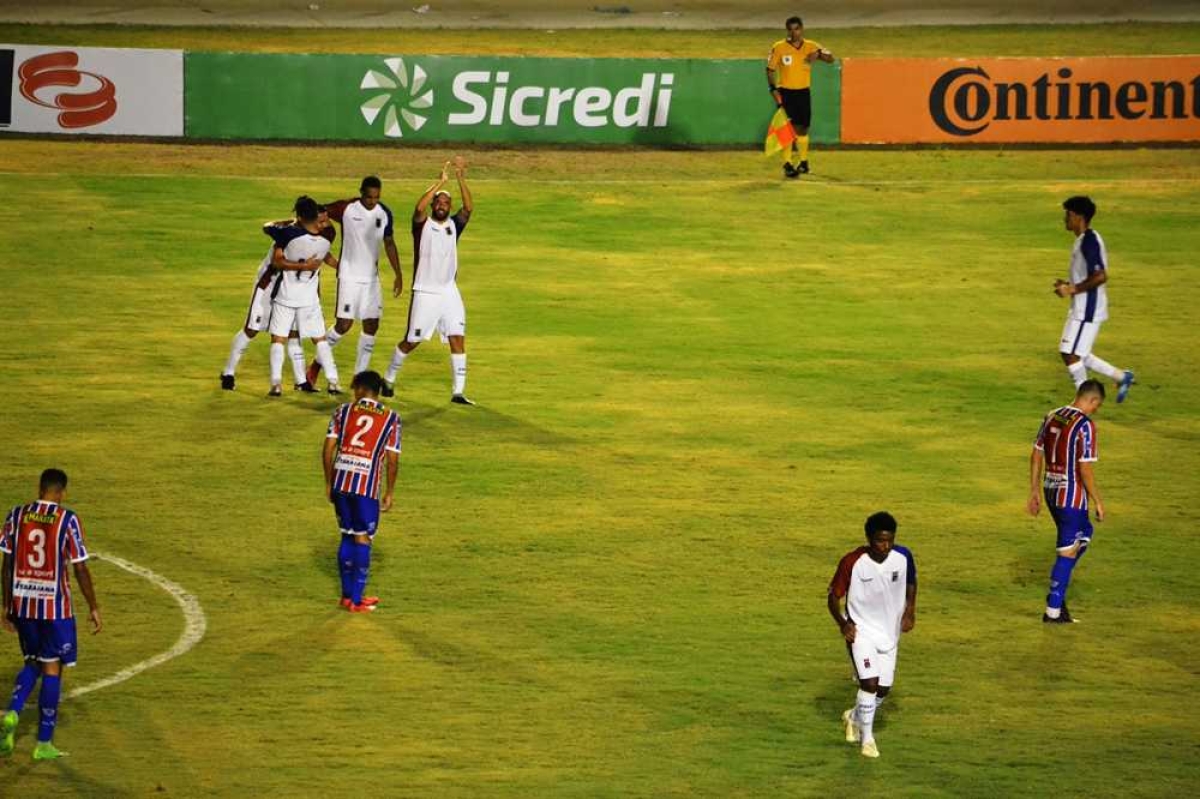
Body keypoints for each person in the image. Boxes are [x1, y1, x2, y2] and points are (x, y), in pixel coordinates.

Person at [0, 469, 102, 761]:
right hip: (55, 609)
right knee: (52, 667)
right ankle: (44, 742)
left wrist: (5, 605)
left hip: (23, 604)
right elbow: (80, 568)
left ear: (39, 487)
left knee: (32, 660)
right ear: (62, 492)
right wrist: (93, 606)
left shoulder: (16, 515)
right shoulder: (67, 520)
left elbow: (6, 565)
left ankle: (14, 710)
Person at [383, 158, 475, 405]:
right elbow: (418, 208)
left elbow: (468, 209)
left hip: (449, 291)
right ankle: (389, 377)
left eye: (446, 202)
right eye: (439, 202)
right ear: (434, 204)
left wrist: (460, 178)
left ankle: (458, 392)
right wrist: (440, 182)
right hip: (425, 291)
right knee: (412, 341)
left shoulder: (454, 225)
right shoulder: (422, 226)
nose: (443, 205)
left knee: (457, 337)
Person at [827, 512, 917, 759]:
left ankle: (854, 716)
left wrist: (910, 611)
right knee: (870, 684)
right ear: (869, 538)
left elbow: (911, 582)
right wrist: (843, 624)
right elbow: (833, 597)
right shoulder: (852, 562)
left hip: (890, 633)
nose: (885, 546)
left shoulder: (903, 557)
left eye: (889, 540)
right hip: (861, 632)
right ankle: (867, 739)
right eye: (880, 541)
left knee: (883, 689)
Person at [221, 201, 337, 392]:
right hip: (268, 285)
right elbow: (277, 259)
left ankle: (301, 382)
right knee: (252, 329)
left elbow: (323, 253)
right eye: (320, 219)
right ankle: (228, 373)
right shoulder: (286, 232)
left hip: (291, 291)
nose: (323, 223)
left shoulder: (315, 234)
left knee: (293, 332)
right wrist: (304, 266)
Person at [307, 177, 403, 388]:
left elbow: (389, 242)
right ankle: (315, 366)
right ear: (361, 193)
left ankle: (359, 379)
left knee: (372, 325)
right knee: (344, 325)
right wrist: (318, 245)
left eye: (376, 197)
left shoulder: (384, 213)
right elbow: (318, 213)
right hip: (349, 277)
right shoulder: (346, 208)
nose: (372, 201)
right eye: (368, 197)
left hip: (371, 280)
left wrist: (398, 274)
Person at [1027, 379, 1107, 624]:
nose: (1096, 410)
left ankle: (1059, 595)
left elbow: (1036, 453)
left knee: (1084, 534)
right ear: (1091, 400)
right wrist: (1098, 500)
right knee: (1068, 550)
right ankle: (1053, 610)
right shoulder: (1085, 426)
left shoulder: (1053, 415)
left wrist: (1034, 490)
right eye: (1097, 405)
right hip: (1070, 494)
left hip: (1051, 489)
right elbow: (1084, 469)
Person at [323, 371, 401, 613]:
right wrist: (389, 491)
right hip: (365, 488)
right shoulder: (391, 418)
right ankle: (357, 600)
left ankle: (347, 597)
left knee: (346, 534)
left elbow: (327, 450)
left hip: (341, 482)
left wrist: (329, 483)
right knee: (363, 538)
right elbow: (392, 459)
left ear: (358, 388)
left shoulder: (342, 412)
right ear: (377, 392)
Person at [1054, 196, 1136, 402]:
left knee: (1069, 354)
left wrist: (1072, 289)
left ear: (1078, 216)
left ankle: (1085, 400)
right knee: (1078, 353)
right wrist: (1067, 285)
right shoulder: (1084, 239)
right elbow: (1088, 275)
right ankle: (1121, 377)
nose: (1065, 219)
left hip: (1087, 310)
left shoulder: (1089, 241)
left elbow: (1100, 276)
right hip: (1082, 307)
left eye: (1068, 215)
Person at [266, 196, 341, 397]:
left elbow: (276, 259)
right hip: (309, 299)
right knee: (320, 339)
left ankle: (276, 384)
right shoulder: (328, 237)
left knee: (278, 339)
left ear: (299, 216)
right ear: (317, 219)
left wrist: (302, 265)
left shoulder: (287, 235)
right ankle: (333, 381)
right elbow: (325, 234)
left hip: (286, 296)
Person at [766, 16, 834, 179]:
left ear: (802, 29)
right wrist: (773, 89)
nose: (794, 32)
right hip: (786, 92)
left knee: (803, 128)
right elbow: (770, 69)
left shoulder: (811, 46)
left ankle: (803, 163)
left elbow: (830, 58)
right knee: (788, 129)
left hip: (804, 92)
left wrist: (818, 54)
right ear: (787, 30)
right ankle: (788, 164)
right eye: (790, 29)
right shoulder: (779, 47)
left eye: (796, 28)